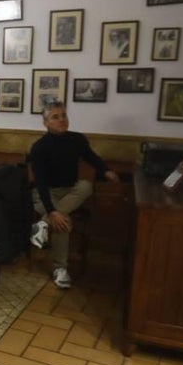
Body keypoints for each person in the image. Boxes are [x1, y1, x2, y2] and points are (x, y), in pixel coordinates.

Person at [28, 102, 119, 289]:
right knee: (62, 220)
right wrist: (52, 211)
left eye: (64, 115)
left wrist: (107, 171)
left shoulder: (77, 139)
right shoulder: (39, 147)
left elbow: (92, 158)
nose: (62, 119)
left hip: (70, 192)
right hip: (45, 194)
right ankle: (60, 269)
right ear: (45, 122)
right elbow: (41, 183)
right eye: (55, 117)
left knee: (85, 186)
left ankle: (42, 224)